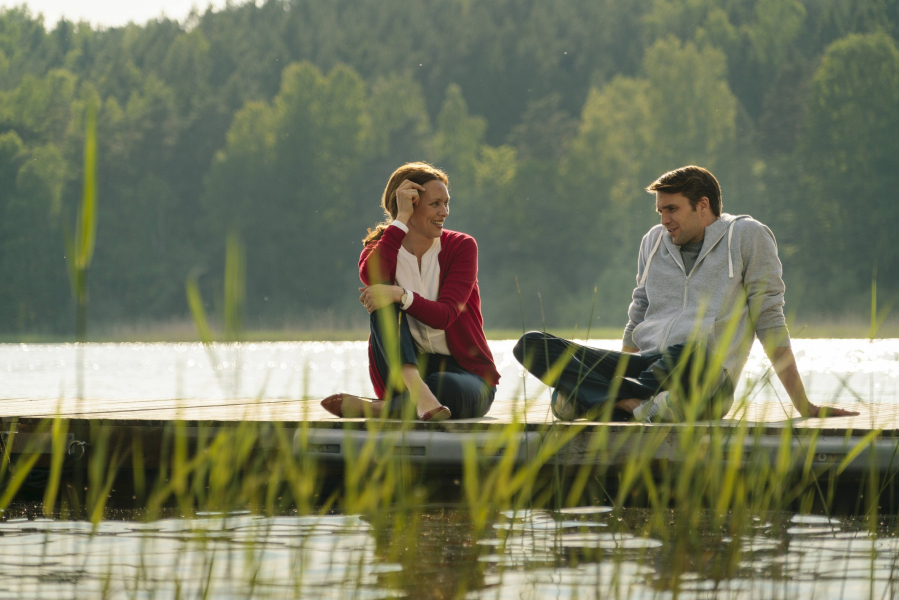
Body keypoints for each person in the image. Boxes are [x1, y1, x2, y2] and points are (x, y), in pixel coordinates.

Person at [515, 165, 858, 422]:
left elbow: (769, 318)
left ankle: (588, 399)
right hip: (645, 367)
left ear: (703, 205)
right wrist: (620, 372)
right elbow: (638, 314)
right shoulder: (652, 242)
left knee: (689, 351)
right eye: (660, 211)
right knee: (531, 344)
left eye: (672, 209)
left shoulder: (747, 237)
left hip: (703, 373)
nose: (664, 219)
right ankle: (633, 405)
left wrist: (803, 405)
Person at [321, 162, 499, 421]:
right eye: (435, 204)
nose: (445, 212)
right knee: (382, 302)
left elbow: (446, 315)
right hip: (404, 372)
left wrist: (401, 295)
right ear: (410, 204)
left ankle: (377, 409)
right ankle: (418, 392)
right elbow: (373, 276)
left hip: (467, 375)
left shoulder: (461, 246)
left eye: (447, 203)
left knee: (443, 385)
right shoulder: (379, 248)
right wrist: (401, 220)